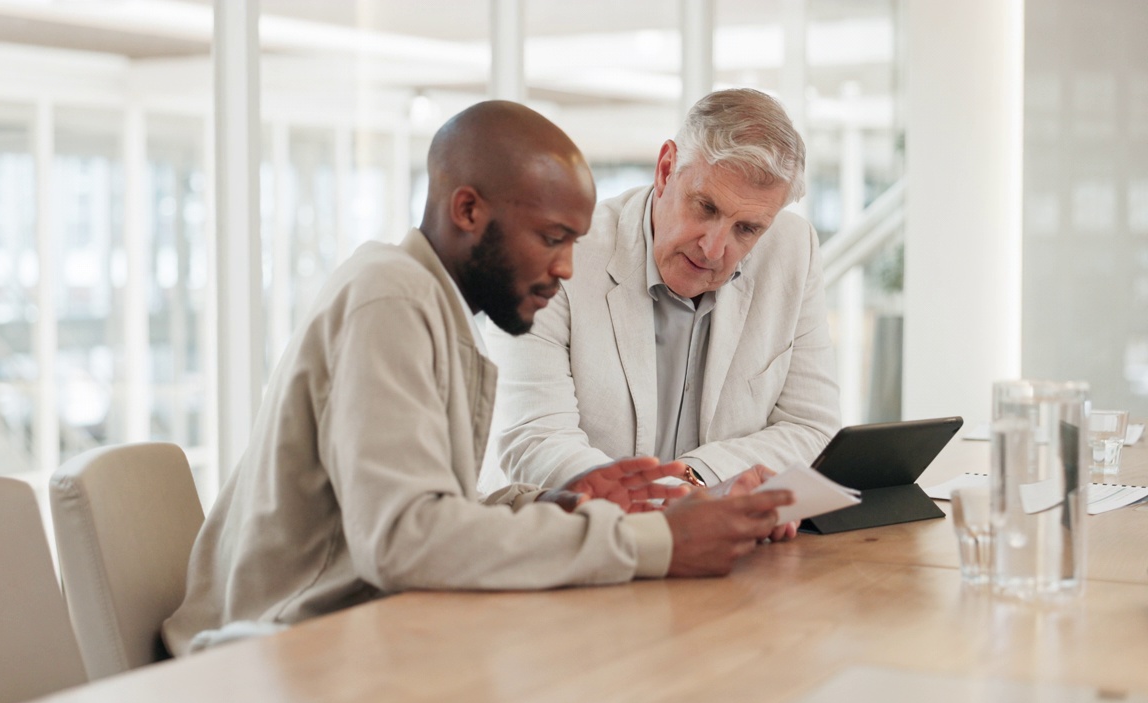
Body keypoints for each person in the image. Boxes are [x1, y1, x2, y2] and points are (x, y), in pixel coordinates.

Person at [162, 100, 794, 656]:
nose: (567, 267)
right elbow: (405, 540)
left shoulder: (430, 304)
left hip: (343, 637)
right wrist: (651, 542)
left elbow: (422, 513)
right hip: (265, 657)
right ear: (467, 209)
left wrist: (552, 504)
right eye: (551, 238)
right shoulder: (390, 297)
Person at [487, 89, 840, 503]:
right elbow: (536, 442)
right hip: (574, 544)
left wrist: (696, 479)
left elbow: (813, 430)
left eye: (747, 229)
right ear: (666, 168)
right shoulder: (559, 257)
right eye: (705, 207)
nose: (713, 248)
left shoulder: (792, 250)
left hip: (727, 544)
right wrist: (676, 500)